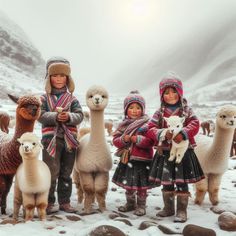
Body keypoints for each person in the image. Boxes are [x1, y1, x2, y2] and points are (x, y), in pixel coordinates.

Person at [147, 72, 204, 222]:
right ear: (161, 95)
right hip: (165, 152)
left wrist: (183, 133)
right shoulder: (159, 113)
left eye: (174, 91)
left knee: (181, 181)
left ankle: (181, 210)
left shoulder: (187, 111)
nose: (170, 95)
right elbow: (150, 128)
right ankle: (168, 208)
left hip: (183, 152)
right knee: (167, 181)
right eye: (166, 92)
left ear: (179, 93)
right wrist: (163, 134)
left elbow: (195, 123)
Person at [38, 57, 84, 214]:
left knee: (66, 172)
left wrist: (69, 117)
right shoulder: (44, 98)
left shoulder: (72, 99)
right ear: (49, 78)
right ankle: (49, 202)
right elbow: (40, 115)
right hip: (50, 139)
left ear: (67, 78)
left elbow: (80, 115)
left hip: (69, 140)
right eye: (55, 75)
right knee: (51, 171)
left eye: (62, 76)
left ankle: (65, 202)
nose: (58, 79)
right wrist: (55, 117)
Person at [112, 91, 154, 216]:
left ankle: (141, 205)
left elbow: (151, 141)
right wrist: (123, 140)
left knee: (142, 185)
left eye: (138, 107)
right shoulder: (123, 125)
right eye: (131, 107)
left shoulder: (148, 125)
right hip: (128, 159)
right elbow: (115, 141)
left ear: (143, 109)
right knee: (128, 184)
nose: (134, 110)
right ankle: (130, 203)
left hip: (143, 160)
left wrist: (138, 140)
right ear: (126, 110)